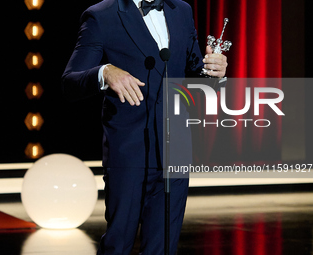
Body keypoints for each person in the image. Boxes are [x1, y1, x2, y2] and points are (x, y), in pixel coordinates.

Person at [62, 0, 228, 254]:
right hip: (129, 152)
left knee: (163, 247)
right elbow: (70, 83)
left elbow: (194, 76)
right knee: (119, 244)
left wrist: (215, 73)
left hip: (176, 149)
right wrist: (104, 72)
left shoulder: (181, 10)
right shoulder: (101, 16)